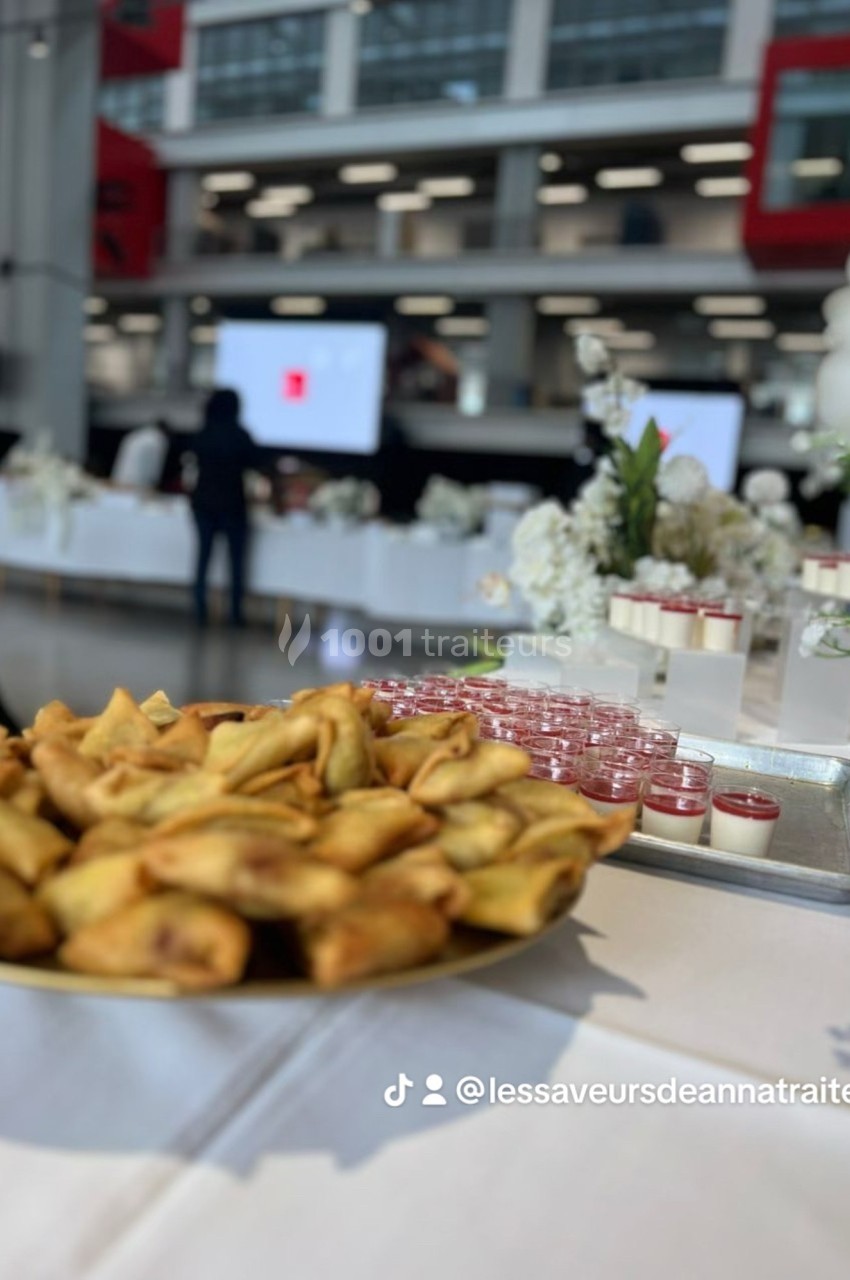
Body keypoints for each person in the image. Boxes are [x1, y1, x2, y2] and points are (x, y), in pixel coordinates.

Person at [190, 388, 262, 628]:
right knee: (236, 562)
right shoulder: (240, 436)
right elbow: (256, 462)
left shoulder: (204, 434)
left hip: (204, 504)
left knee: (203, 558)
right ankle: (235, 612)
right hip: (232, 505)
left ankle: (199, 607)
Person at [111, 419, 169, 489]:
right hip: (139, 483)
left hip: (120, 478)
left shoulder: (134, 435)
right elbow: (154, 465)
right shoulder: (157, 439)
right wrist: (153, 483)